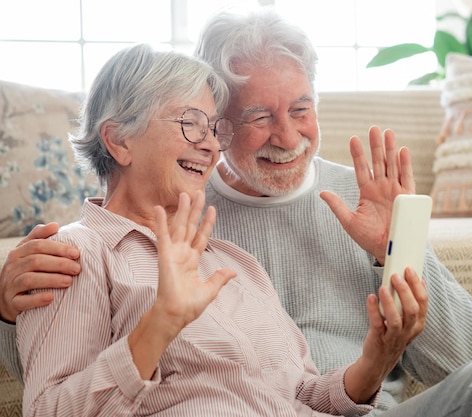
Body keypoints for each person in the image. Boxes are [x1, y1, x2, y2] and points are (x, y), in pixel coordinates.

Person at [1, 8, 472, 417]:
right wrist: (4, 308)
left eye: (300, 109)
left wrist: (397, 255)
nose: (288, 135)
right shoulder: (122, 236)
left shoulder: (244, 252)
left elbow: (465, 359)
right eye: (256, 118)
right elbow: (50, 374)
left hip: (353, 407)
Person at [17, 43, 430, 416]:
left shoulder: (234, 262)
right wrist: (161, 322)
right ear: (119, 141)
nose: (213, 145)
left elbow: (302, 392)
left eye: (215, 129)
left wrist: (374, 364)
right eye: (191, 123)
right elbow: (48, 409)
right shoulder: (75, 252)